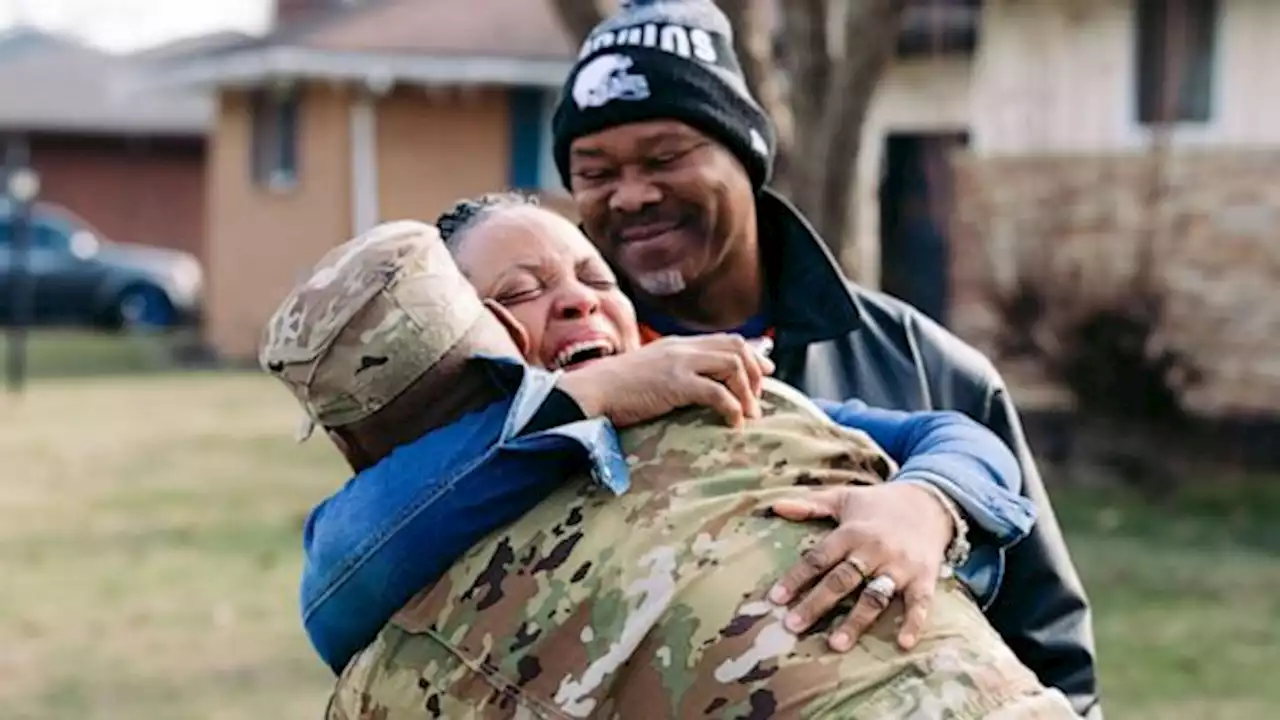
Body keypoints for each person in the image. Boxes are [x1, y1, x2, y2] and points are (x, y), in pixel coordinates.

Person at [260, 220, 1078, 718]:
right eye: (521, 292)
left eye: (595, 277)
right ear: (469, 347)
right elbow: (345, 562)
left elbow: (955, 433)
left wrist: (926, 501)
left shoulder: (729, 404)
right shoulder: (421, 515)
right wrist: (581, 400)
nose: (579, 300)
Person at [550, 1, 1099, 715]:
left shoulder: (925, 369)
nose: (632, 195)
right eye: (595, 171)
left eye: (665, 157)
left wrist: (930, 504)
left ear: (745, 152)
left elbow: (1050, 653)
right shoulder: (565, 376)